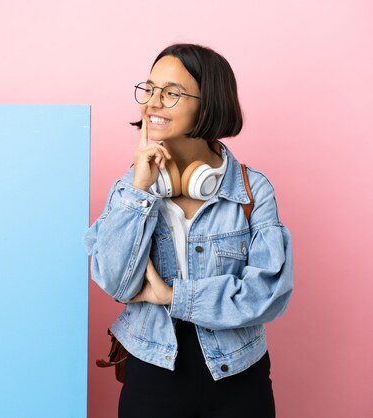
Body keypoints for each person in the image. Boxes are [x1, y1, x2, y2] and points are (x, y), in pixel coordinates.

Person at [83, 44, 294, 418]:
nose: (152, 102)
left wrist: (172, 296)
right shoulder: (130, 189)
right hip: (152, 368)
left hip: (239, 371)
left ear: (209, 102)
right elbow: (116, 282)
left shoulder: (252, 190)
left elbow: (267, 294)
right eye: (148, 89)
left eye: (171, 93)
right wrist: (140, 190)